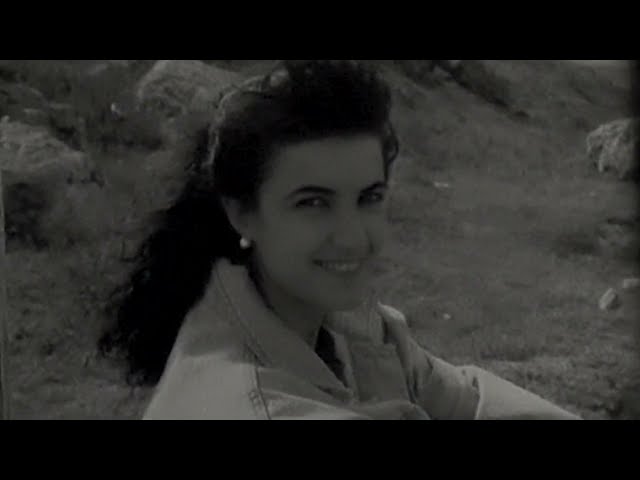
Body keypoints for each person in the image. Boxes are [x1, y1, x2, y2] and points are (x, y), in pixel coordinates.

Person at [98, 60, 580, 420]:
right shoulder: (244, 400)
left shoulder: (342, 323)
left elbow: (461, 395)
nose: (352, 238)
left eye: (369, 198)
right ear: (241, 212)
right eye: (313, 202)